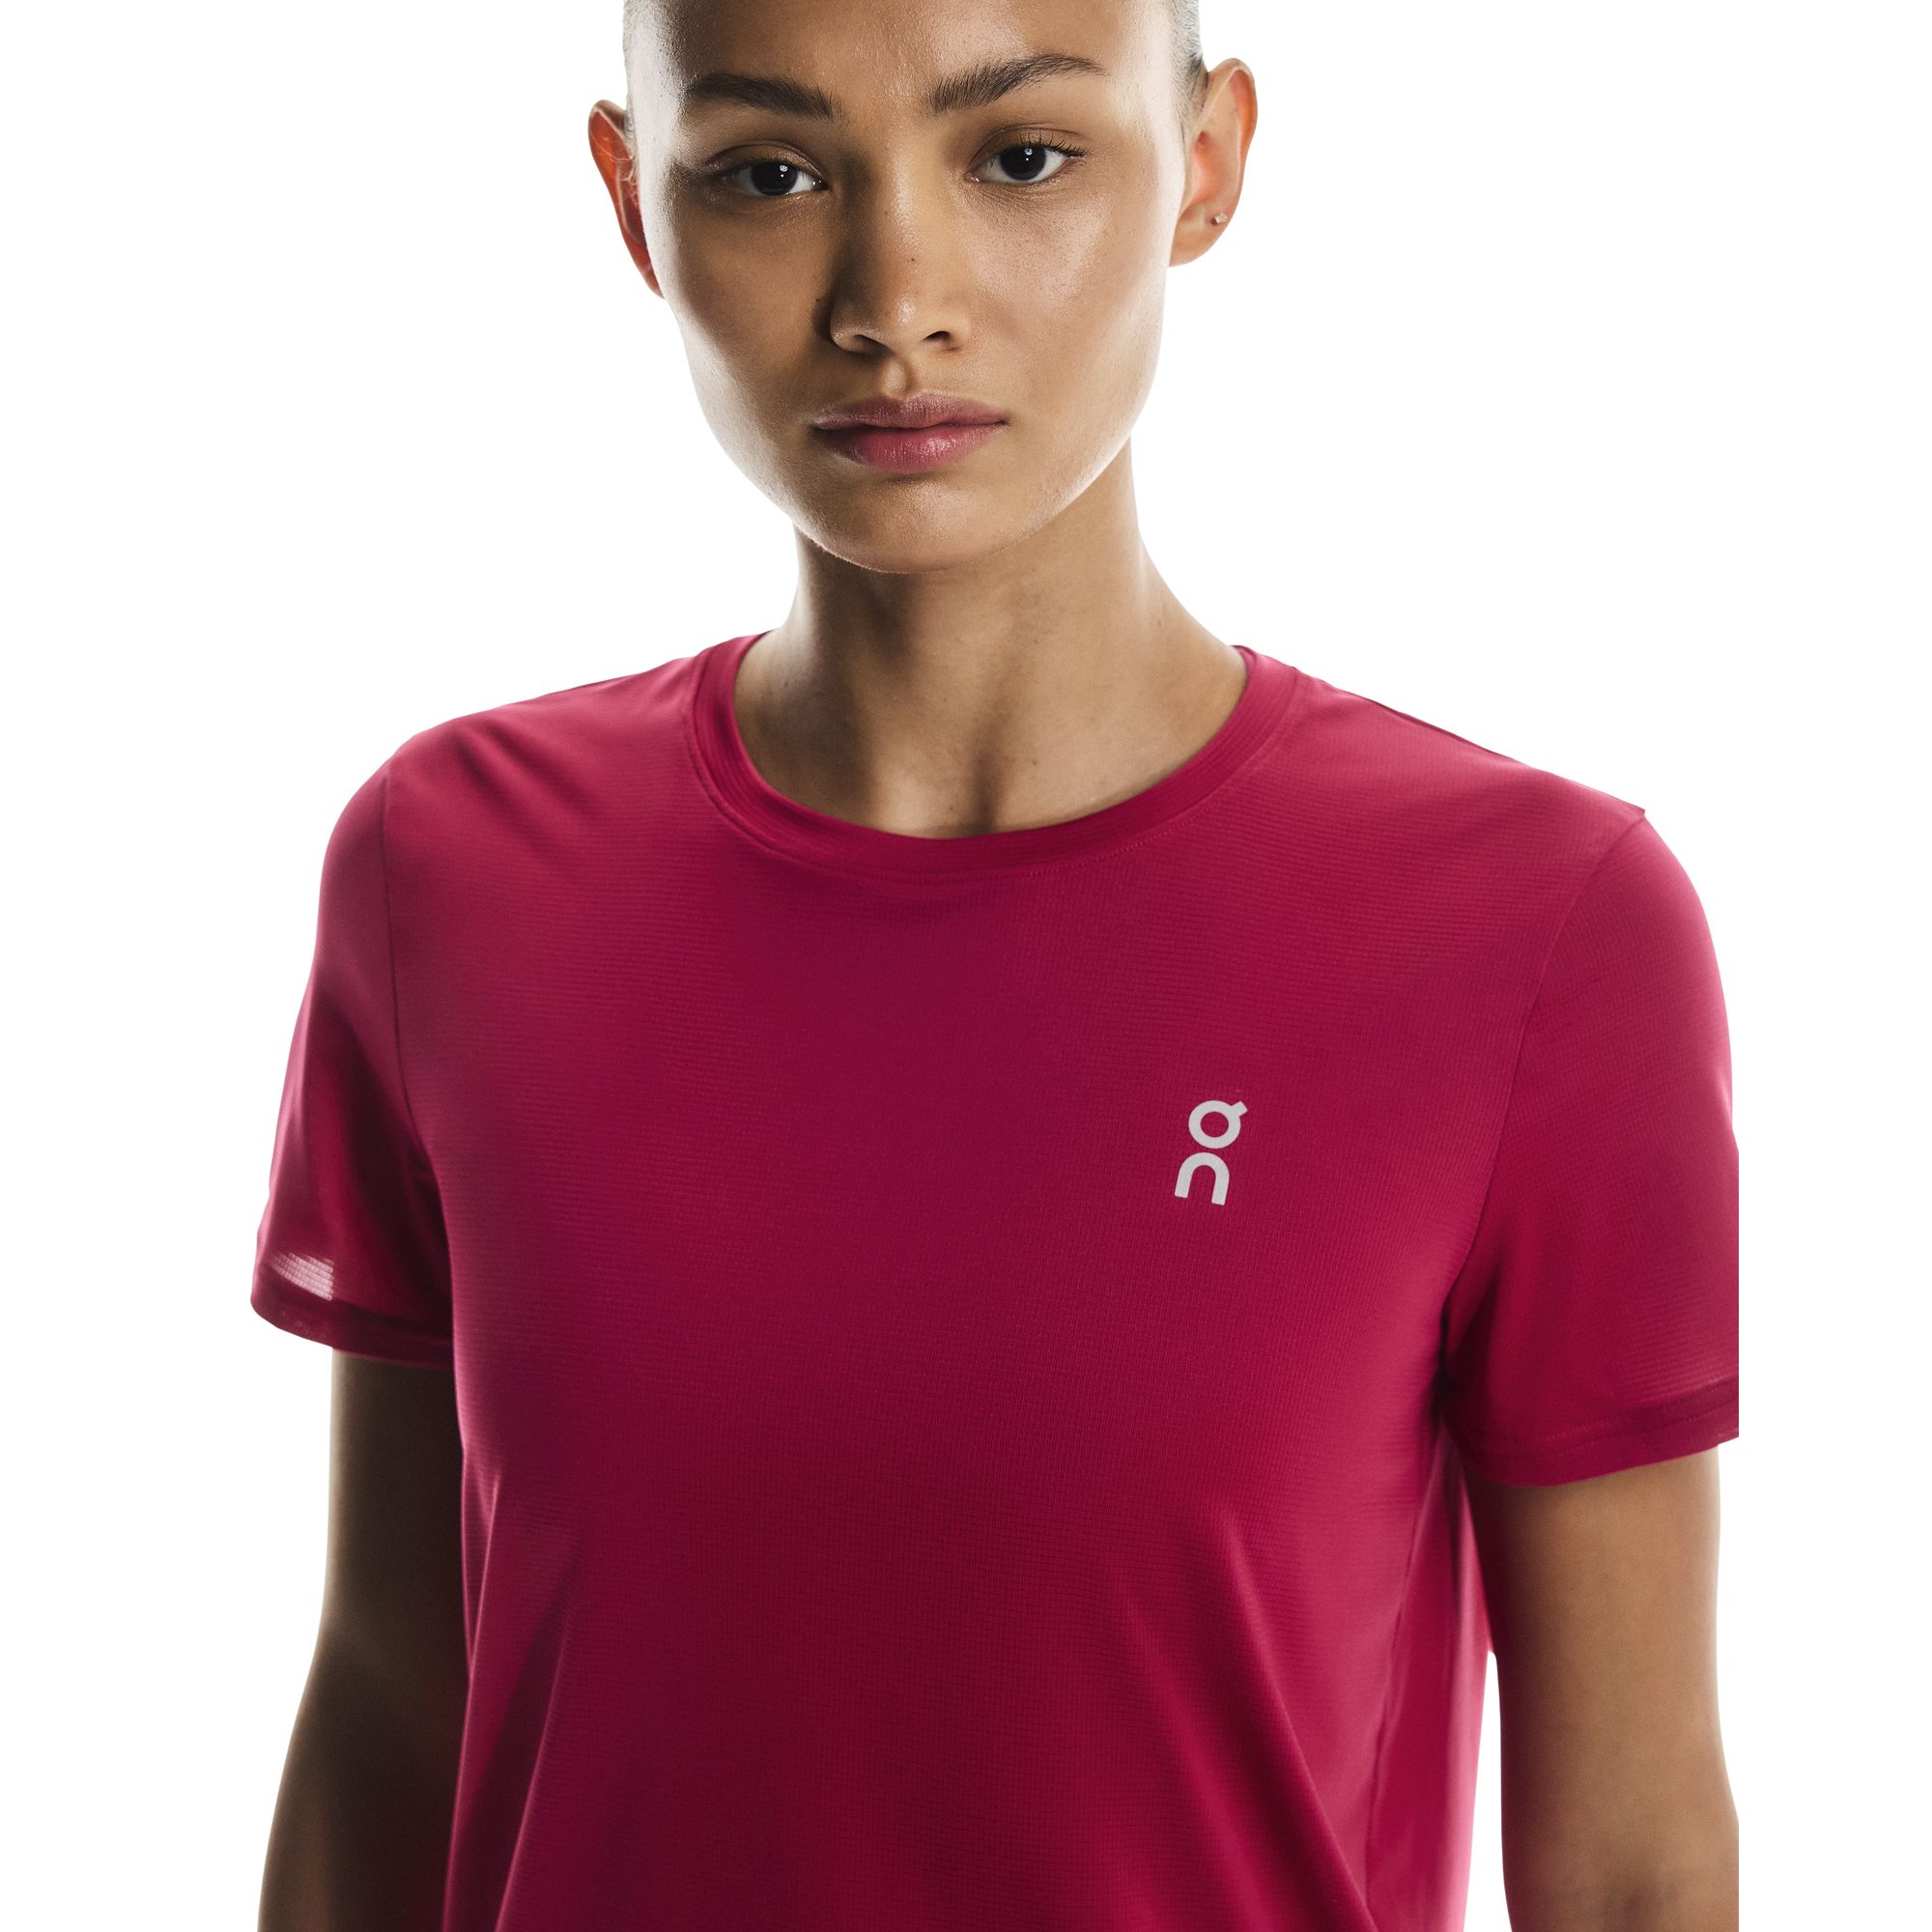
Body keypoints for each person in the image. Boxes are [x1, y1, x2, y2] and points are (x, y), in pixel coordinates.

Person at [251, 1, 1740, 1927]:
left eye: (1022, 156)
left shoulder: (1535, 930)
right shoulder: (450, 875)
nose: (897, 302)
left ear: (1205, 163)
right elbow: (391, 1706)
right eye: (769, 172)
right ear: (634, 205)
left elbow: (1629, 1868)